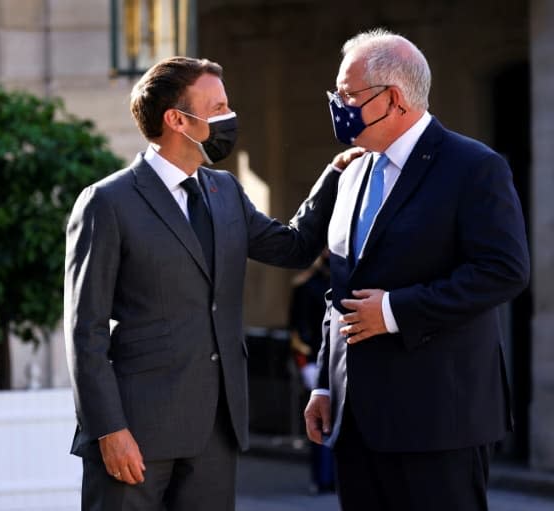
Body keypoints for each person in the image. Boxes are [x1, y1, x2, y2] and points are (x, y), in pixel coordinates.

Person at [64, 56, 361, 511]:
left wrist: (336, 175)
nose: (229, 117)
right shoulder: (107, 202)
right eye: (218, 107)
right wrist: (108, 429)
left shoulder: (226, 192)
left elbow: (296, 247)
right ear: (177, 119)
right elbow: (85, 331)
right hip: (136, 430)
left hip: (216, 431)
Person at [303, 28, 530, 511]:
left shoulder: (472, 166)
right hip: (356, 422)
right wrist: (325, 381)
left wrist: (395, 310)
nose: (338, 105)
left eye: (347, 94)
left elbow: (504, 269)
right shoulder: (353, 172)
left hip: (439, 422)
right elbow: (337, 291)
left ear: (394, 99)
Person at [286, 249, 334, 494]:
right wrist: (304, 364)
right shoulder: (306, 286)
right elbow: (297, 329)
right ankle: (322, 477)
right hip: (315, 359)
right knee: (321, 419)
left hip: (342, 360)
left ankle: (336, 477)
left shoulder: (341, 280)